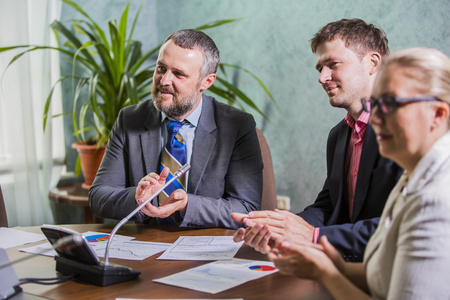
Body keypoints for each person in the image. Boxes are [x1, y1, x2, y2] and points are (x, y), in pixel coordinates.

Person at [269, 47, 450, 300]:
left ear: (438, 115)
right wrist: (335, 265)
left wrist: (326, 273)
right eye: (375, 105)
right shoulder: (412, 176)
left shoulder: (437, 199)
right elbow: (386, 273)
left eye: (390, 105)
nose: (375, 119)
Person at [232, 19, 402, 261]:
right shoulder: (338, 135)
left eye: (333, 64)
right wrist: (278, 228)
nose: (322, 78)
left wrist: (312, 235)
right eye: (320, 68)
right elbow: (328, 206)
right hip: (345, 265)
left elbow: (401, 227)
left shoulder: (408, 129)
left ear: (372, 63)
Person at [89, 29, 263, 229]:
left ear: (207, 81)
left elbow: (246, 208)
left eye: (178, 74)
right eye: (161, 68)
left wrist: (187, 204)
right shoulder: (129, 119)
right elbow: (98, 196)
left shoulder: (237, 126)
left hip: (205, 249)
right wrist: (137, 196)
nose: (164, 81)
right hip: (145, 246)